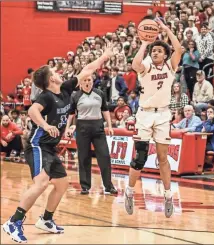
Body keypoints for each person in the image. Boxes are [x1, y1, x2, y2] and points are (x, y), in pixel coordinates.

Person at [3, 43, 114, 243]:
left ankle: (46, 219)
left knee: (62, 184)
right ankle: (14, 221)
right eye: (55, 71)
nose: (59, 72)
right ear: (51, 78)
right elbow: (32, 111)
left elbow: (87, 70)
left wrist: (104, 56)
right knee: (42, 183)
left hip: (49, 148)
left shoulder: (65, 89)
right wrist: (45, 126)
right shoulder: (46, 96)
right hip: (37, 146)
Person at [124, 17, 182, 218]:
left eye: (159, 50)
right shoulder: (146, 65)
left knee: (163, 157)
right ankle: (129, 191)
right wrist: (145, 43)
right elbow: (135, 64)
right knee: (140, 157)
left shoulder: (170, 66)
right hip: (145, 114)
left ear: (165, 54)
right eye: (153, 50)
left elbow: (179, 48)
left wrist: (166, 29)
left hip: (163, 114)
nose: (155, 52)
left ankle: (168, 196)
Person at [65, 69, 118, 195]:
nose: (87, 82)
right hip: (82, 127)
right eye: (85, 80)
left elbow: (105, 110)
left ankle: (108, 186)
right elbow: (71, 114)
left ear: (93, 81)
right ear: (80, 83)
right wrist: (68, 128)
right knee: (83, 157)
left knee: (104, 156)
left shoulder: (99, 93)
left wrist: (109, 126)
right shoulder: (75, 96)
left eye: (89, 80)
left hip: (98, 126)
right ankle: (85, 186)